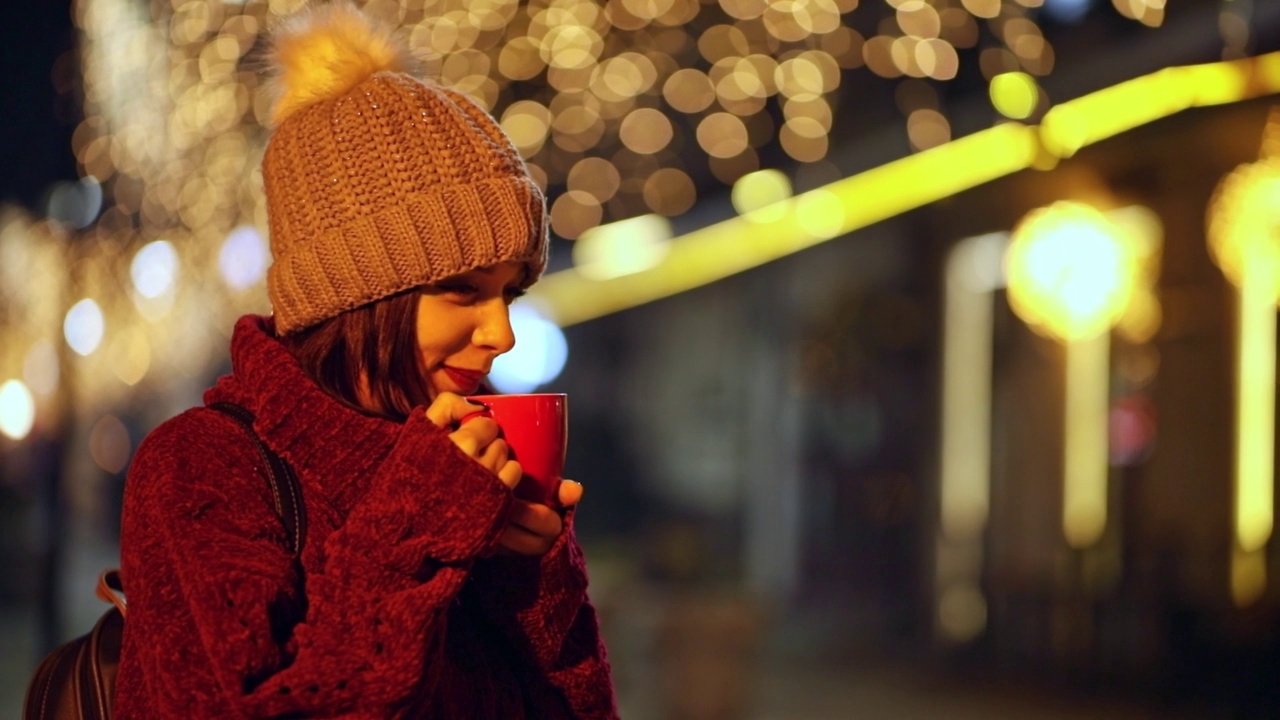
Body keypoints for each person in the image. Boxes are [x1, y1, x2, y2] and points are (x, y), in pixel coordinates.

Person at [114, 2, 618, 717]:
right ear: (357, 295)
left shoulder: (465, 463)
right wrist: (418, 528)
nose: (502, 335)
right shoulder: (201, 467)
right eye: (463, 291)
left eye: (511, 291)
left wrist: (531, 584)